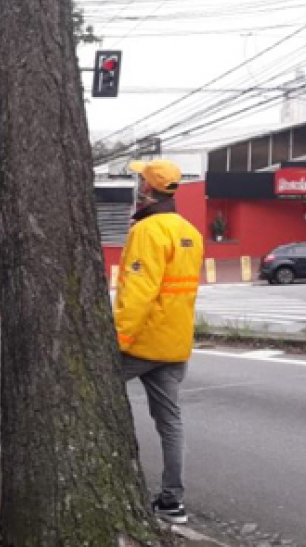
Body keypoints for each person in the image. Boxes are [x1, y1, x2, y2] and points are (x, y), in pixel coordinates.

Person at [114, 159, 204, 525]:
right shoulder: (190, 232)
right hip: (176, 344)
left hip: (141, 343)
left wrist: (117, 340)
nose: (137, 184)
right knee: (171, 422)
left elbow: (139, 292)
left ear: (148, 189)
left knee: (87, 390)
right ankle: (173, 501)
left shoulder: (147, 231)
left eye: (139, 180)